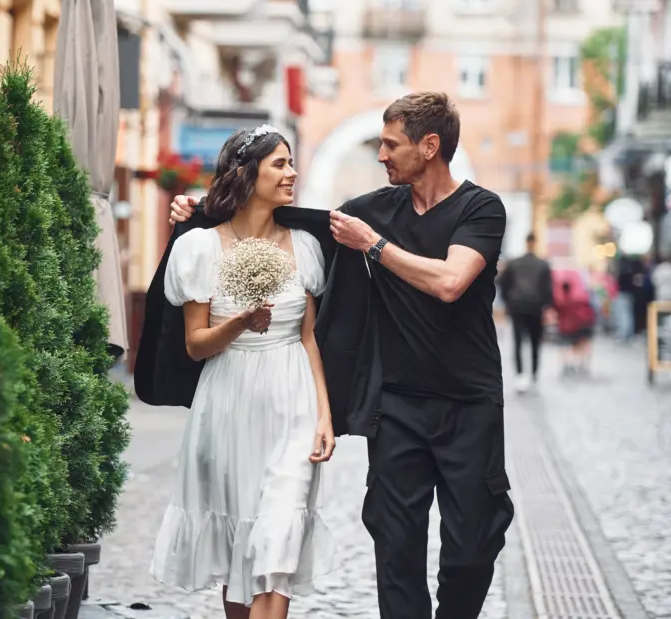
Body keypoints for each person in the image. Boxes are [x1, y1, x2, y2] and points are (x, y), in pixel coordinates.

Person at [166, 93, 513, 619]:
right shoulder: (375, 208)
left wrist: (373, 246)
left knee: (471, 548)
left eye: (391, 145)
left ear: (430, 146)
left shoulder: (481, 208)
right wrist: (196, 212)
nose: (381, 155)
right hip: (396, 407)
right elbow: (281, 215)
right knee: (395, 545)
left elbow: (450, 282)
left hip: (469, 404)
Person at [149, 126, 336, 619]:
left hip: (293, 398)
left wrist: (324, 415)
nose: (292, 172)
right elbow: (195, 345)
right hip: (228, 401)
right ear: (247, 175)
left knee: (280, 537)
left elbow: (309, 336)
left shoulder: (305, 246)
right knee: (240, 547)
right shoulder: (200, 248)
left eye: (291, 162)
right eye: (280, 164)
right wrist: (239, 322)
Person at [498, 233, 553, 393]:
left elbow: (503, 283)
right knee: (535, 342)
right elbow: (547, 288)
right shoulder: (542, 264)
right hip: (535, 307)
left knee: (518, 341)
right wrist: (547, 305)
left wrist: (507, 301)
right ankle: (534, 374)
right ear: (535, 243)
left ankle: (520, 374)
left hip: (517, 306)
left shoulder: (514, 263)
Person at [554, 278, 596, 375]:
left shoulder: (561, 302)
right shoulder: (579, 300)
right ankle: (581, 364)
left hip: (565, 327)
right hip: (580, 326)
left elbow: (558, 314)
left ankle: (568, 364)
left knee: (565, 347)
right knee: (581, 345)